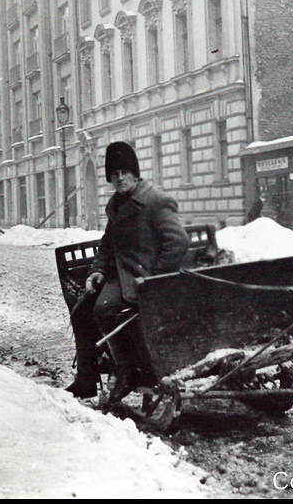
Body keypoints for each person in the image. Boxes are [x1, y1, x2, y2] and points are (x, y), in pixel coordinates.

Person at [66, 141, 189, 401]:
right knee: (81, 311)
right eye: (114, 174)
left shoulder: (155, 200)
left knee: (103, 309)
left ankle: (127, 371)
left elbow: (178, 242)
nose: (120, 178)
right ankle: (87, 379)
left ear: (135, 173)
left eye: (124, 172)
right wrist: (97, 271)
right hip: (123, 277)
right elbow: (107, 246)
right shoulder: (118, 204)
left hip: (146, 280)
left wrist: (154, 279)